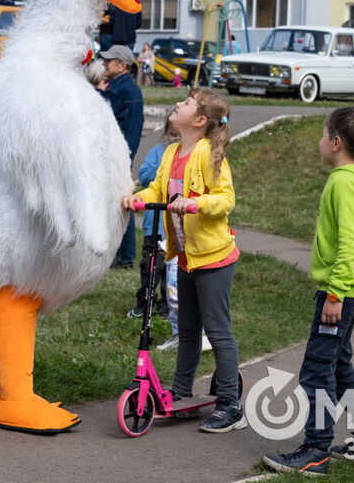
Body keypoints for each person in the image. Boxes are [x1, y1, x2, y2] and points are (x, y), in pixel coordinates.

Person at [262, 108, 354, 476]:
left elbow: (348, 244)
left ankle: (316, 450)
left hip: (342, 293)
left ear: (336, 143)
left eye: (322, 135)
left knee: (316, 371)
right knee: (339, 363)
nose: (319, 142)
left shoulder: (343, 182)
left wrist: (334, 294)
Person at [124, 88, 243, 433]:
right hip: (187, 256)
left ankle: (229, 404)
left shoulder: (208, 154)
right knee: (188, 330)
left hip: (215, 258)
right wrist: (138, 199)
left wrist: (197, 203)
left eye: (187, 103)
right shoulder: (172, 152)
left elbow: (225, 199)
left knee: (217, 331)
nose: (178, 104)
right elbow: (158, 191)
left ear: (200, 121)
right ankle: (181, 390)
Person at [97, 44, 143, 270]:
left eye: (110, 60)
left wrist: (125, 159)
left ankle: (125, 258)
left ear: (122, 65)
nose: (105, 63)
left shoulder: (127, 92)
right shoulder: (118, 88)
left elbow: (130, 131)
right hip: (114, 156)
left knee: (122, 204)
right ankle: (120, 256)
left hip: (119, 158)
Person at [129, 119, 180, 320]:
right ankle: (144, 302)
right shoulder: (158, 152)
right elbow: (143, 177)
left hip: (175, 228)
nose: (175, 139)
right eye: (172, 135)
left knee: (171, 270)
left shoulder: (188, 157)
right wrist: (162, 166)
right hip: (155, 226)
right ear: (166, 133)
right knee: (150, 267)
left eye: (179, 135)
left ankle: (167, 305)